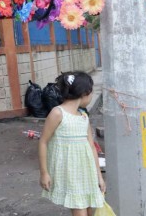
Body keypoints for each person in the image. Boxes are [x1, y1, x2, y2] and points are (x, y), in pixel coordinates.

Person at [38, 71, 105, 216]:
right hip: (69, 172)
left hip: (86, 172)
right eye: (92, 92)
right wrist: (44, 173)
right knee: (80, 209)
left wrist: (99, 177)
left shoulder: (83, 116)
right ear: (85, 93)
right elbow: (43, 142)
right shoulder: (57, 113)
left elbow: (91, 147)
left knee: (88, 208)